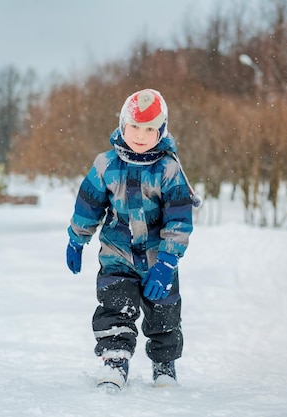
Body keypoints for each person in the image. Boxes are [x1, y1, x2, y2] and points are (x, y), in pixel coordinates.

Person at [66, 88, 197, 390]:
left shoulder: (169, 169)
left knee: (164, 312)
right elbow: (88, 205)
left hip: (157, 257)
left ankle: (164, 366)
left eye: (150, 129)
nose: (140, 135)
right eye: (135, 127)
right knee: (115, 306)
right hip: (117, 254)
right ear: (123, 125)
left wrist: (167, 261)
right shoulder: (106, 165)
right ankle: (115, 359)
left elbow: (179, 218)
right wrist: (77, 239)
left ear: (161, 131)